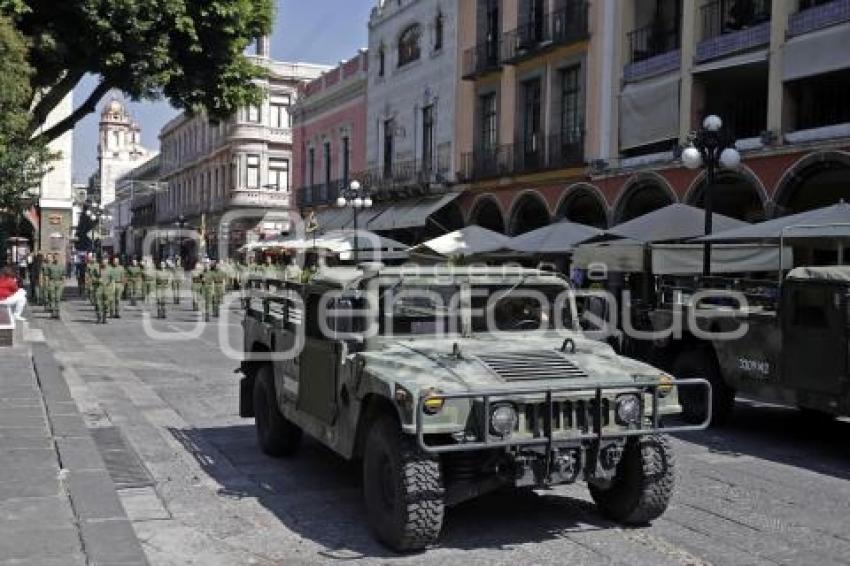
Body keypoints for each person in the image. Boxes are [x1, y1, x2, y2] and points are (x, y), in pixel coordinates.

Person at [44, 254, 65, 319]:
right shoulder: (49, 266)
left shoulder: (62, 266)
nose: (56, 258)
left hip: (59, 282)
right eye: (55, 257)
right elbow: (47, 275)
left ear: (59, 258)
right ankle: (53, 312)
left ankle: (57, 312)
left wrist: (63, 284)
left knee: (58, 297)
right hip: (52, 282)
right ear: (53, 258)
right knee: (52, 297)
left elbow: (64, 276)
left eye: (57, 257)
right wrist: (47, 284)